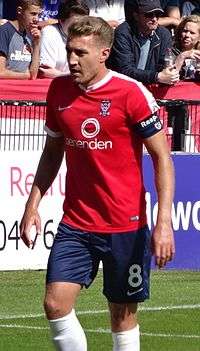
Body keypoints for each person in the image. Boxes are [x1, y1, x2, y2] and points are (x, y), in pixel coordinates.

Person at [20, 15, 175, 351]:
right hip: (76, 223)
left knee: (122, 315)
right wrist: (32, 206)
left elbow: (162, 157)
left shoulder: (131, 93)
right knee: (55, 305)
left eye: (80, 53)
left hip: (126, 225)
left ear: (104, 53)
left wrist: (163, 222)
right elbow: (52, 152)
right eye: (68, 51)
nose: (72, 60)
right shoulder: (58, 89)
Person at [108, 0, 180, 85]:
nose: (154, 19)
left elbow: (163, 64)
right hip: (123, 86)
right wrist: (156, 77)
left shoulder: (163, 34)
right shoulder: (123, 32)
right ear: (136, 16)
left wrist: (169, 73)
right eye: (149, 15)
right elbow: (125, 70)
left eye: (157, 14)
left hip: (150, 86)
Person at [39, 0, 89, 78]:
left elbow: (88, 72)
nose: (79, 28)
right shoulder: (49, 32)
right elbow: (46, 72)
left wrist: (59, 74)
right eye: (75, 24)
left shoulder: (86, 35)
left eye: (83, 24)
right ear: (61, 21)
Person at [0, 0, 42, 79]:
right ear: (20, 10)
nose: (36, 19)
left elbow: (33, 75)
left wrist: (36, 44)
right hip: (5, 89)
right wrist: (25, 76)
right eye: (33, 14)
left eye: (38, 15)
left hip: (24, 89)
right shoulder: (4, 31)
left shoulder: (31, 35)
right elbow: (0, 72)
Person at [173, 14, 200, 79]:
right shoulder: (171, 52)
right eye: (185, 31)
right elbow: (169, 76)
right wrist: (182, 56)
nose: (187, 35)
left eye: (192, 33)